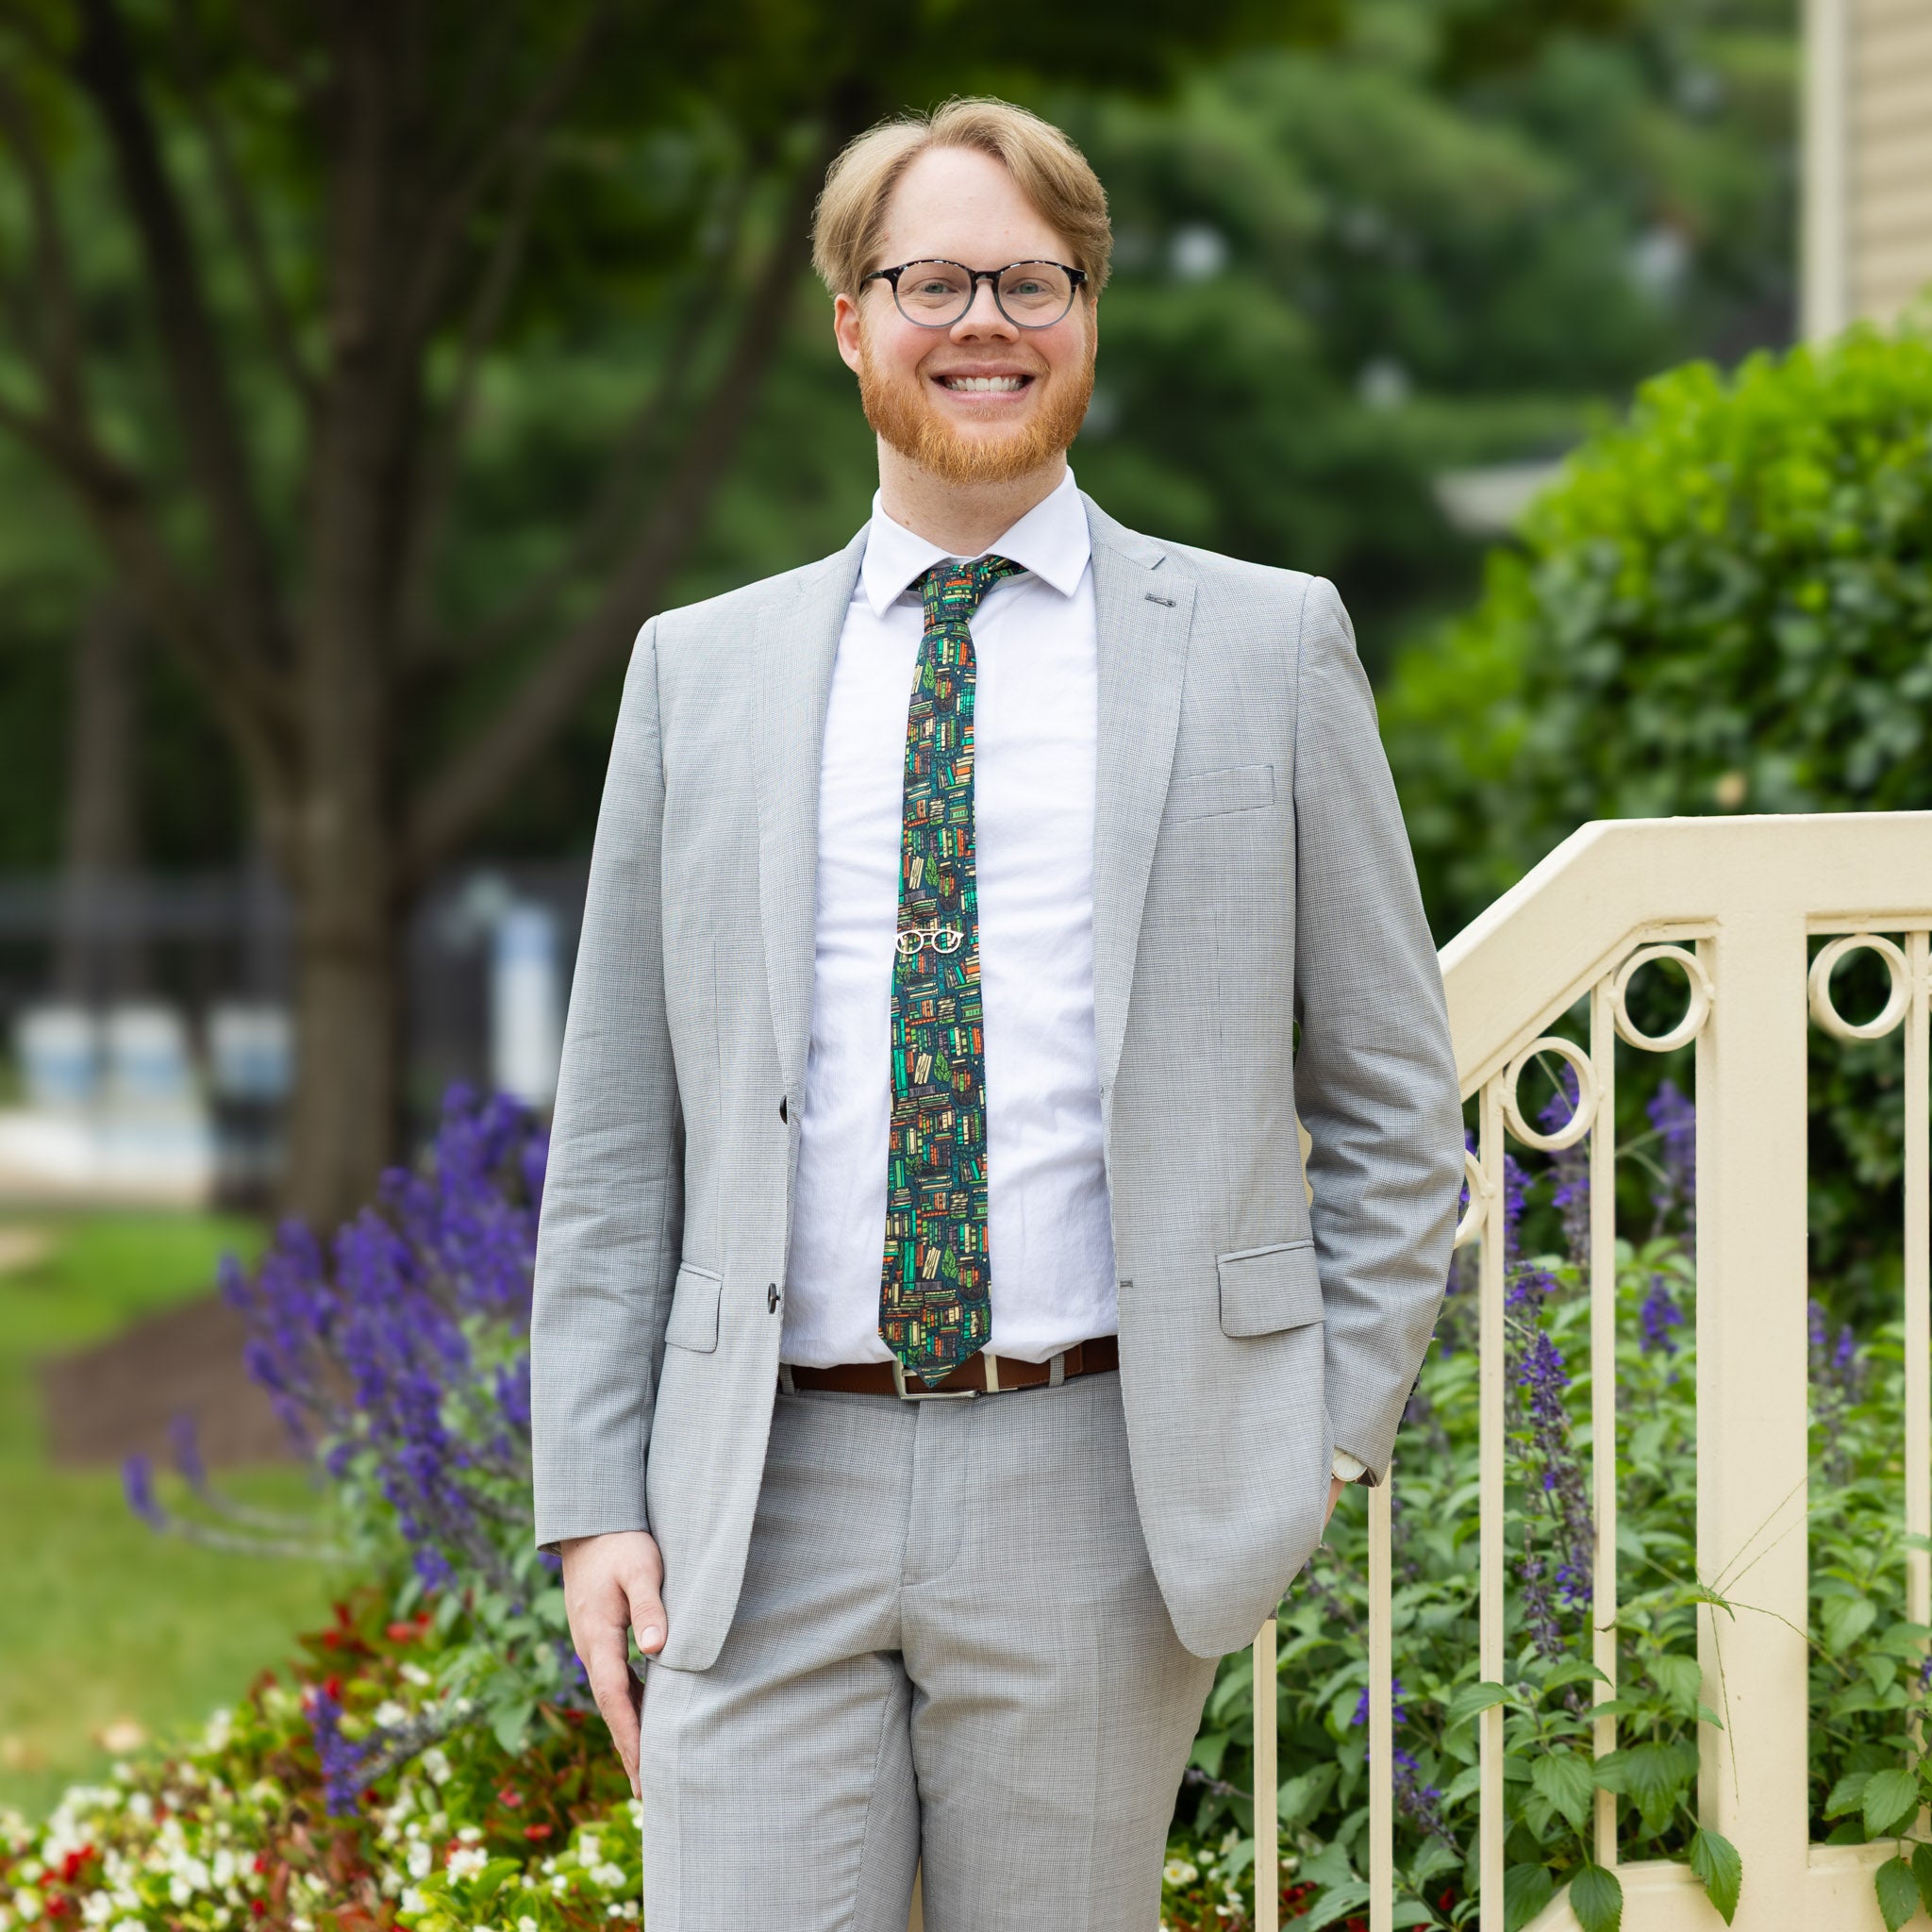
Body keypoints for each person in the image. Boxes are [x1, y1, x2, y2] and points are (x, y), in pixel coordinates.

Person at [530, 95, 1462, 1932]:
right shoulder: (693, 674)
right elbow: (619, 1127)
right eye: (932, 278)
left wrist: (1311, 1443)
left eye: (1032, 281)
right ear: (851, 322)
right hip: (756, 1492)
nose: (984, 322)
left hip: (1095, 1489)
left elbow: (1387, 1097)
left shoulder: (1265, 651)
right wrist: (594, 1495)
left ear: (1088, 317)